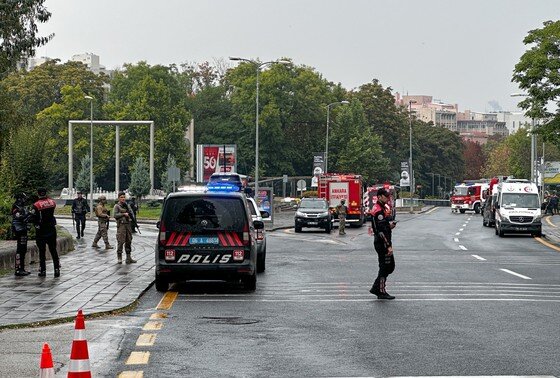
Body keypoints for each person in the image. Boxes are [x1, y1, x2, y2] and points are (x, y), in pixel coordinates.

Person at [368, 188, 397, 300]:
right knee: (385, 267)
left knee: (389, 266)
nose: (387, 198)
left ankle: (377, 287)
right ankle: (379, 290)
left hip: (382, 241)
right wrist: (388, 246)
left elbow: (381, 227)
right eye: (385, 196)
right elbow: (380, 231)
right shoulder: (378, 211)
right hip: (382, 242)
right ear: (379, 197)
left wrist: (389, 226)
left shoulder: (380, 208)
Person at [30, 188, 60, 277]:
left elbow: (33, 218)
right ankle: (57, 269)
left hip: (41, 230)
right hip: (51, 228)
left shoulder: (36, 205)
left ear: (38, 194)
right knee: (53, 250)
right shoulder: (52, 202)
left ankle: (43, 270)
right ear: (45, 193)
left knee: (42, 251)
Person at [113, 192, 137, 264]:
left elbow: (131, 213)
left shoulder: (127, 205)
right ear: (119, 198)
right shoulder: (117, 206)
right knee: (120, 241)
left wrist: (131, 217)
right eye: (121, 197)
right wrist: (123, 214)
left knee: (129, 241)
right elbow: (115, 215)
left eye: (124, 197)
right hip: (121, 226)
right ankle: (119, 258)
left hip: (128, 225)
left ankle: (128, 258)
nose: (123, 198)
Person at [11, 193, 31, 276]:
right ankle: (18, 268)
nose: (25, 200)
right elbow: (18, 217)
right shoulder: (16, 207)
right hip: (19, 229)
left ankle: (22, 268)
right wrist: (28, 214)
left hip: (23, 228)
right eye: (23, 198)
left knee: (23, 249)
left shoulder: (22, 207)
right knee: (20, 249)